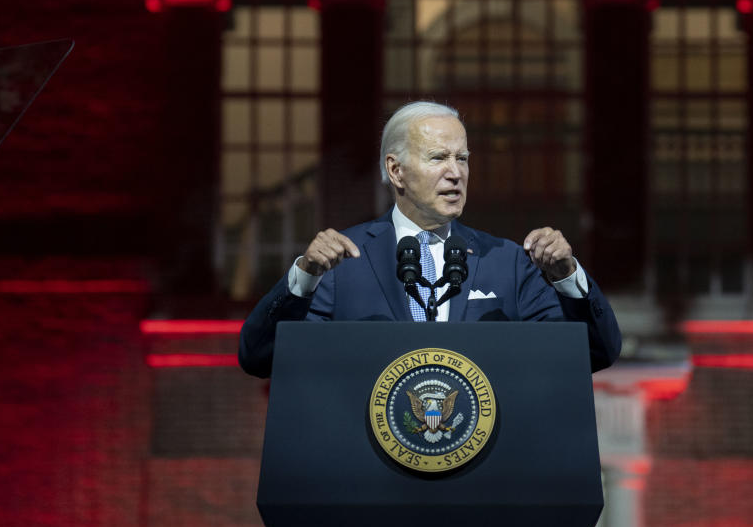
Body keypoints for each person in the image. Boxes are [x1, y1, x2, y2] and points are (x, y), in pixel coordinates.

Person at [238, 101, 621, 377]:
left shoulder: (507, 261)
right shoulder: (342, 265)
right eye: (439, 158)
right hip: (371, 477)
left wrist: (568, 278)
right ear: (397, 171)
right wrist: (303, 278)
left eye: (463, 158)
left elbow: (594, 353)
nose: (456, 173)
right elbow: (259, 357)